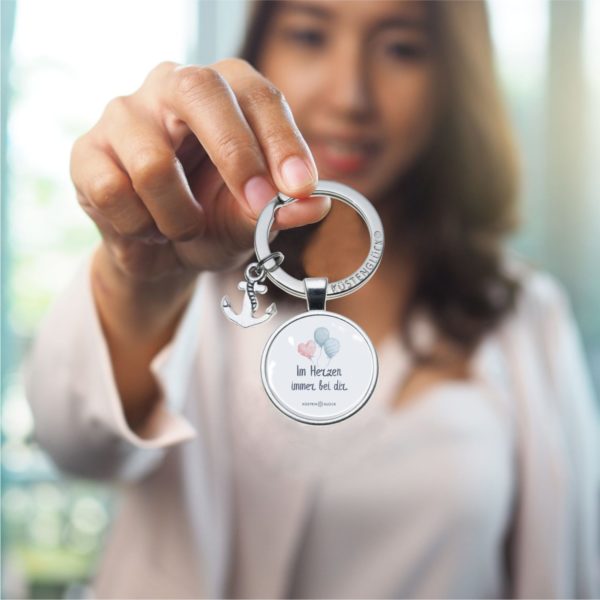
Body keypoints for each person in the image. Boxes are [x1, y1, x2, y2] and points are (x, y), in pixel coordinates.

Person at [25, 1, 599, 598]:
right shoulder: (192, 272)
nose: (350, 95)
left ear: (454, 77)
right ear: (259, 50)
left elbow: (568, 575)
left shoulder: (526, 315)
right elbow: (75, 444)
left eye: (402, 47)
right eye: (309, 35)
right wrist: (143, 275)